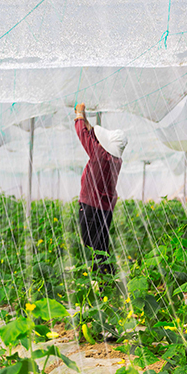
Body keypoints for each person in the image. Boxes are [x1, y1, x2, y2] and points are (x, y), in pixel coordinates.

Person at [74, 103, 127, 276]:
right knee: (101, 244)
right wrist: (87, 122)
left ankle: (101, 276)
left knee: (89, 242)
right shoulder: (116, 160)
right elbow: (96, 139)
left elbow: (83, 135)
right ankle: (106, 277)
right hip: (106, 208)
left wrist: (79, 114)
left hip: (90, 204)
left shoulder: (99, 154)